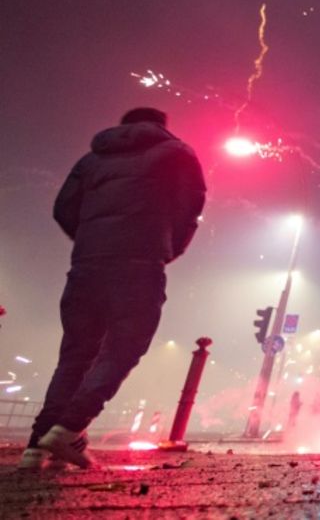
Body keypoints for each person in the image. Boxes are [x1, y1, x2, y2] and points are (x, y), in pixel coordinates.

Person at [20, 108, 206, 471]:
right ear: (159, 126)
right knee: (125, 347)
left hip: (86, 266)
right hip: (139, 264)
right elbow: (190, 207)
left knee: (75, 355)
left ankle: (35, 448)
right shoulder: (177, 153)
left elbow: (63, 209)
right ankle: (70, 427)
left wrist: (92, 240)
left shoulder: (91, 159)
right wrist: (168, 247)